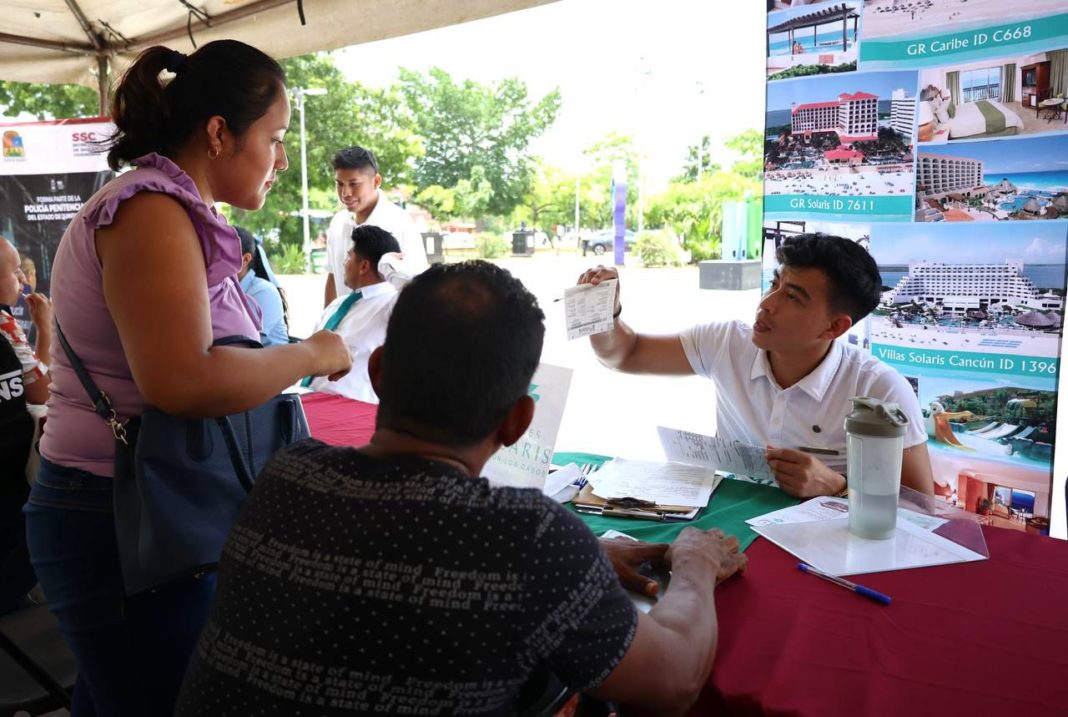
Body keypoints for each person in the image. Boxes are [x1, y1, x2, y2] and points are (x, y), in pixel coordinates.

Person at [176, 261, 748, 716]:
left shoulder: (287, 476)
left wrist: (577, 563)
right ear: (518, 421)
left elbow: (393, 555)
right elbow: (675, 683)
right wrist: (695, 562)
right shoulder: (526, 539)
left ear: (377, 374)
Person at [23, 40, 352, 716]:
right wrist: (312, 353)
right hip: (117, 513)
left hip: (149, 503)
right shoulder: (149, 209)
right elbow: (184, 381)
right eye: (276, 137)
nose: (283, 158)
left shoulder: (176, 208)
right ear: (218, 133)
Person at [579, 233, 934, 499]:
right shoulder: (728, 343)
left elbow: (921, 512)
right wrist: (604, 311)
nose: (766, 304)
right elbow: (625, 354)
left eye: (792, 297)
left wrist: (838, 487)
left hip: (827, 550)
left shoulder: (880, 391)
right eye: (774, 284)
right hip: (731, 526)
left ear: (834, 327)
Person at [0, 237, 51, 616]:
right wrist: (46, 331)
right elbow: (42, 390)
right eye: (15, 269)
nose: (22, 277)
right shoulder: (5, 324)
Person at [303, 225, 404, 403]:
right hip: (306, 398)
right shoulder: (338, 305)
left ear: (364, 266)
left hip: (350, 408)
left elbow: (418, 288)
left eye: (349, 256)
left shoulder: (392, 306)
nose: (344, 263)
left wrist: (388, 263)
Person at [323, 146, 427, 307]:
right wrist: (327, 324)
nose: (345, 193)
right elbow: (332, 276)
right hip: (342, 327)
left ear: (376, 181)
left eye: (354, 184)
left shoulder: (400, 224)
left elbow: (418, 286)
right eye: (340, 184)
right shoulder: (337, 223)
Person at [235, 226, 289, 346]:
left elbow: (245, 344)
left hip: (272, 362)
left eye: (224, 253)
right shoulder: (224, 288)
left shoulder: (263, 291)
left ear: (245, 259)